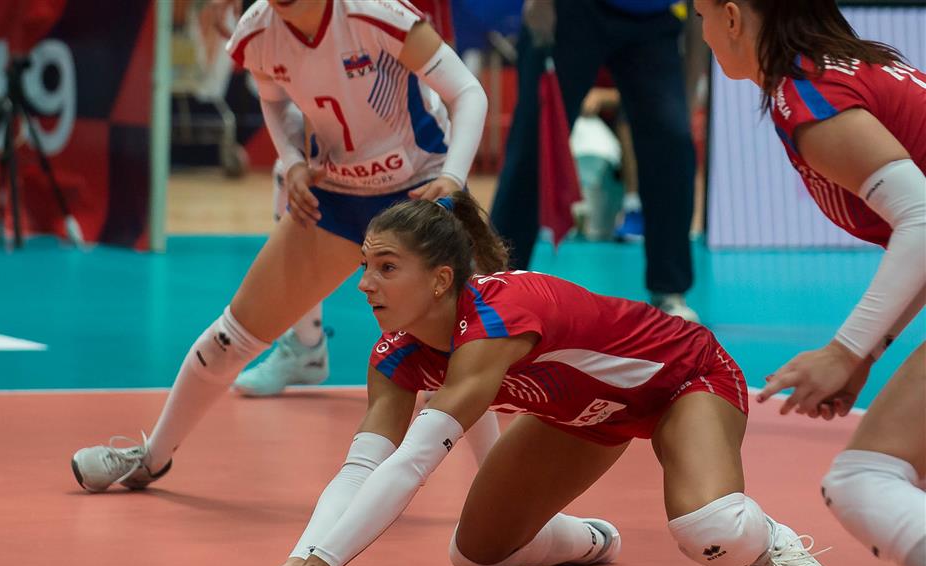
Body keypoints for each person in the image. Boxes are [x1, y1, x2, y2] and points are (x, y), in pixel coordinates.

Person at [263, 191, 835, 566]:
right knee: (478, 554)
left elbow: (413, 461)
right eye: (365, 266)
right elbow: (361, 470)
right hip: (587, 417)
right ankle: (592, 541)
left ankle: (772, 542)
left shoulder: (495, 321)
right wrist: (303, 556)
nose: (365, 284)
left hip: (682, 381)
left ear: (440, 280)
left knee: (708, 530)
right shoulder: (396, 356)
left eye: (386, 268)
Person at [73, 0, 498, 490]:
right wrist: (292, 161)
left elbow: (468, 91)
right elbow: (273, 101)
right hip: (334, 198)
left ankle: (503, 495)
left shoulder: (375, 14)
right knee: (231, 337)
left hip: (417, 192)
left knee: (462, 348)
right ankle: (151, 457)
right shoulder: (257, 32)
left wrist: (452, 178)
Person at [694, 0, 925, 566]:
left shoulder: (810, 94)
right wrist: (867, 355)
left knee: (865, 479)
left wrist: (845, 349)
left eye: (701, 14)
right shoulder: (839, 71)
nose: (703, 32)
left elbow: (924, 219)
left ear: (735, 17)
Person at [233, 0, 459, 398]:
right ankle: (305, 346)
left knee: (424, 228)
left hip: (400, 102)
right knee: (292, 176)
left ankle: (440, 351)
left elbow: (460, 88)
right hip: (325, 74)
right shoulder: (265, 24)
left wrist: (454, 172)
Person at [489, 0, 699, 321]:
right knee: (534, 141)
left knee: (673, 140)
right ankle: (494, 282)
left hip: (652, 19)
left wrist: (690, 92)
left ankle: (670, 289)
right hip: (572, 11)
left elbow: (700, 17)